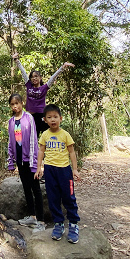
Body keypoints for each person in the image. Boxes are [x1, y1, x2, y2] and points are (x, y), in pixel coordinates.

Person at [34, 103, 80, 243]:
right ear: (45, 120)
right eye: (49, 117)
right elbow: (41, 151)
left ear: (60, 118)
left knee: (68, 197)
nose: (53, 120)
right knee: (53, 198)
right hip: (50, 170)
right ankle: (58, 224)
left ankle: (73, 224)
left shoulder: (65, 135)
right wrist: (38, 168)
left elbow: (72, 152)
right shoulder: (45, 135)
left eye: (55, 117)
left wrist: (75, 169)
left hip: (64, 170)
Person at [7, 93, 45, 231]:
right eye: (12, 104)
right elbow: (10, 142)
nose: (15, 106)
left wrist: (36, 163)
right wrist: (11, 161)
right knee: (26, 188)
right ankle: (32, 216)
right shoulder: (11, 121)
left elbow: (34, 139)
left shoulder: (28, 117)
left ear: (22, 103)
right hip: (20, 161)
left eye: (17, 103)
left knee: (35, 188)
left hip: (30, 160)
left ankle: (41, 221)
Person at [12, 52, 74, 136]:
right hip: (30, 116)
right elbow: (23, 72)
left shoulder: (44, 88)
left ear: (40, 78)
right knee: (31, 137)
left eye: (36, 76)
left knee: (47, 135)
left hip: (41, 115)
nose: (34, 78)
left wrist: (62, 67)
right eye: (32, 77)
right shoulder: (29, 85)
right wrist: (16, 60)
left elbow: (53, 78)